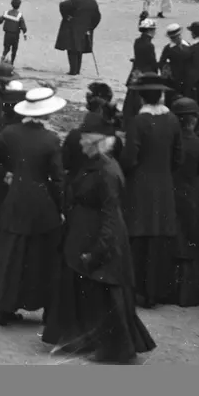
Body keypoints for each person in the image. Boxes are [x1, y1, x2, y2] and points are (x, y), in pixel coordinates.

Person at [42, 113, 156, 364]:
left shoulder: (107, 172)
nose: (80, 143)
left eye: (85, 140)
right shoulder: (95, 164)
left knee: (105, 296)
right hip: (84, 235)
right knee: (87, 292)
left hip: (100, 239)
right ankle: (86, 340)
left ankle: (115, 350)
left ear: (97, 143)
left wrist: (99, 250)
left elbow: (110, 217)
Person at [0, 86, 66, 327]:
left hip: (14, 199)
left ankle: (5, 307)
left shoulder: (11, 132)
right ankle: (45, 307)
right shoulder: (51, 139)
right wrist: (61, 207)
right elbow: (58, 179)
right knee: (42, 257)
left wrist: (3, 174)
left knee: (11, 255)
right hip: (41, 204)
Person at [120, 74, 182, 309]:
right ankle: (157, 290)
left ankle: (138, 289)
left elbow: (130, 157)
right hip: (164, 186)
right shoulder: (172, 120)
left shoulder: (138, 122)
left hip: (140, 186)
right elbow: (178, 156)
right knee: (160, 238)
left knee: (139, 237)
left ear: (141, 97)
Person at [170, 97, 199, 306]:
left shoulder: (169, 142)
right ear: (194, 120)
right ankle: (187, 294)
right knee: (190, 245)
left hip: (170, 195)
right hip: (192, 198)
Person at [55, 0, 102, 77]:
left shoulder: (73, 0)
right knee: (80, 49)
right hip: (85, 29)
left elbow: (62, 5)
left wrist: (66, 16)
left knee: (72, 49)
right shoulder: (93, 2)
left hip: (72, 28)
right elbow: (97, 17)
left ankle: (73, 70)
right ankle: (77, 70)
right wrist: (91, 27)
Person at [0, 0, 29, 65]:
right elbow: (23, 26)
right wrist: (25, 34)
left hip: (7, 34)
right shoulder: (19, 15)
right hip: (15, 35)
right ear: (19, 6)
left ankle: (2, 58)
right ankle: (12, 63)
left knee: (6, 48)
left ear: (11, 5)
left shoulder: (6, 13)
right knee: (14, 50)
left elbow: (0, 20)